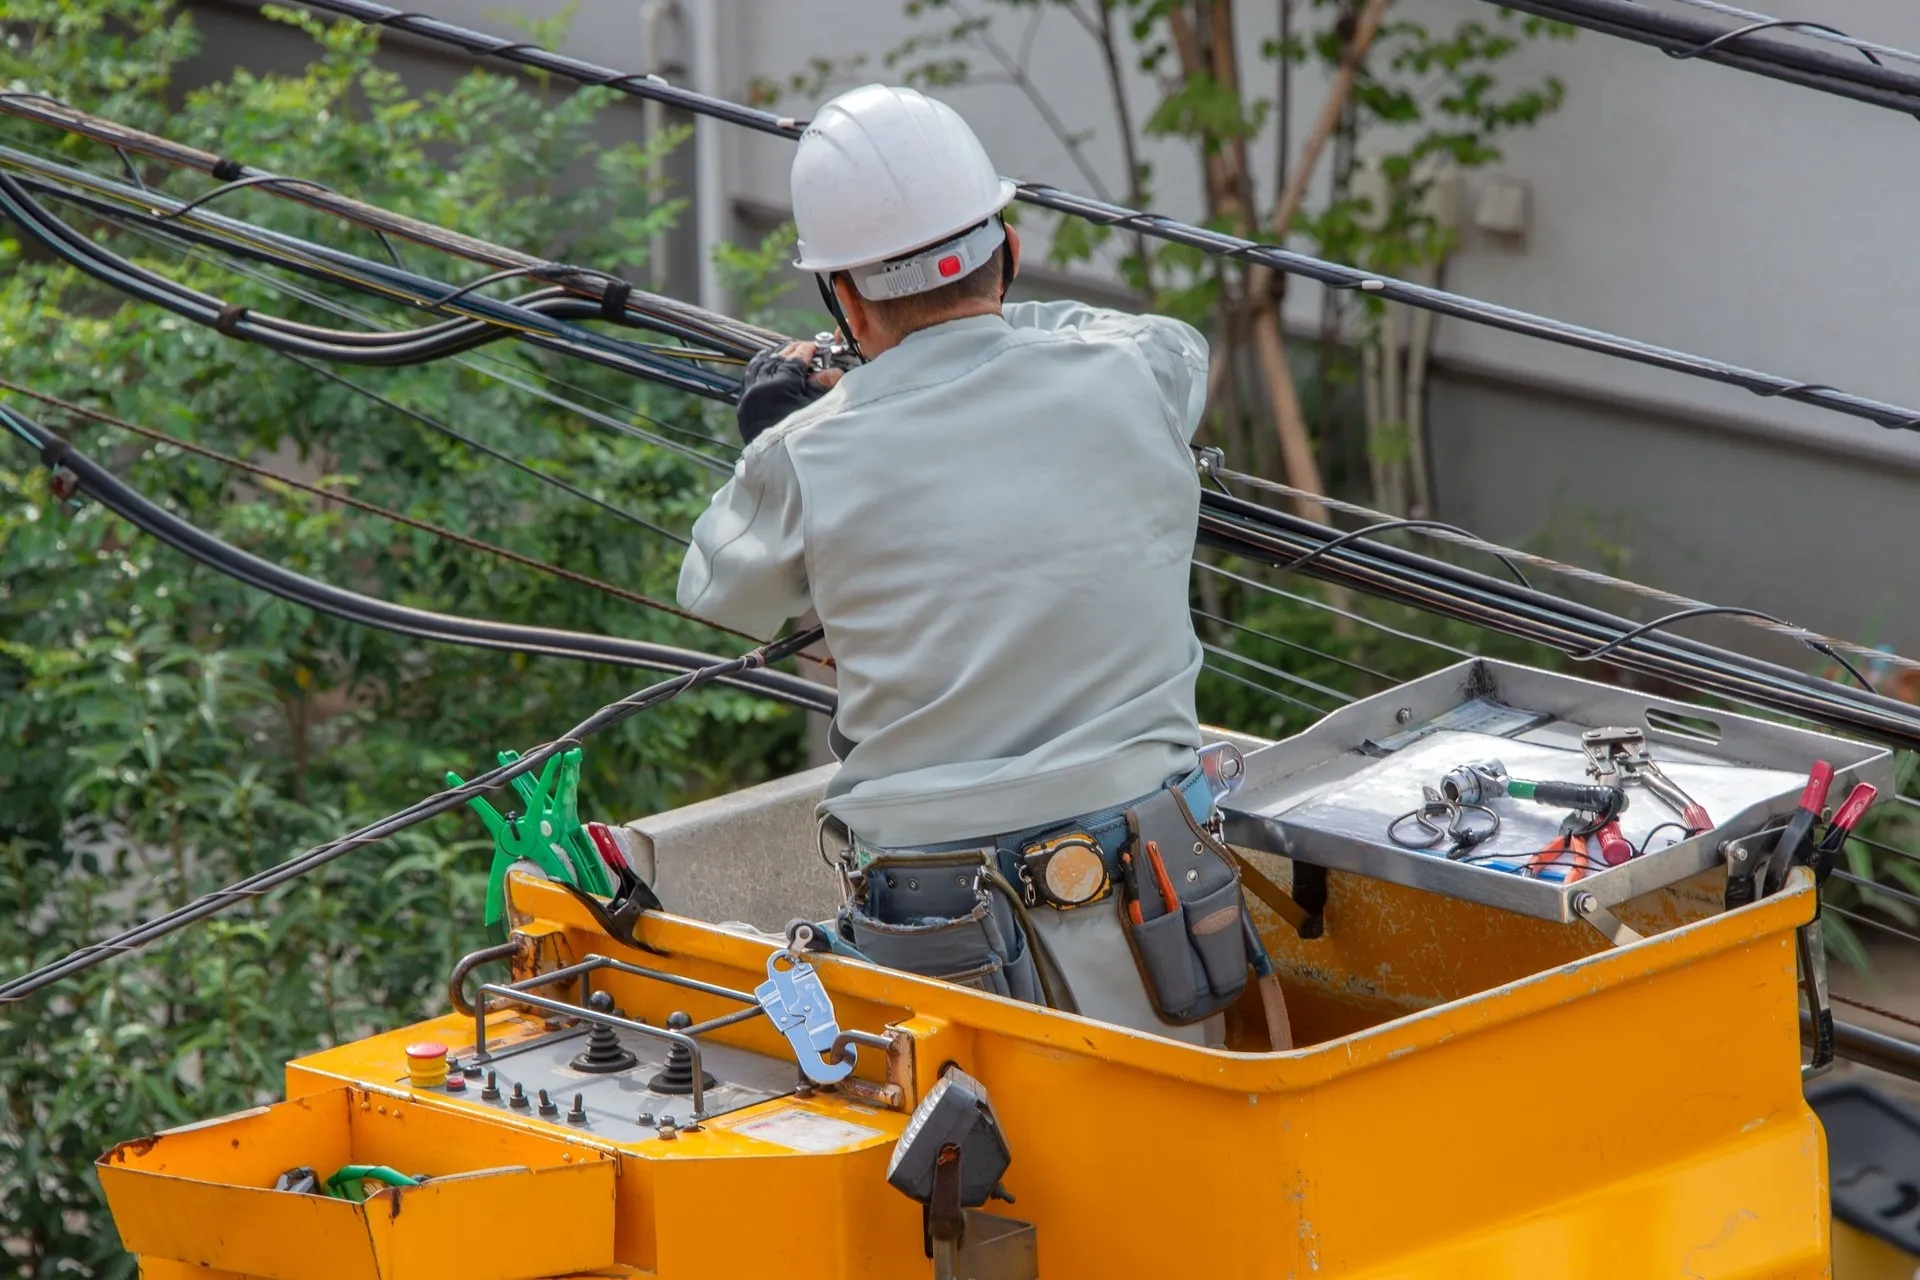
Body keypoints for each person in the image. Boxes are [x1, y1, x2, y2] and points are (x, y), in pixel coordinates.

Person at [678, 84, 1283, 1047]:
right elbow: (1152, 342)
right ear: (1007, 252)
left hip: (936, 929)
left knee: (964, 1176)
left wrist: (794, 417)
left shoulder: (808, 455)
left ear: (840, 299)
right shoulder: (1137, 372)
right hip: (1156, 906)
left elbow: (717, 593)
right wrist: (948, 341)